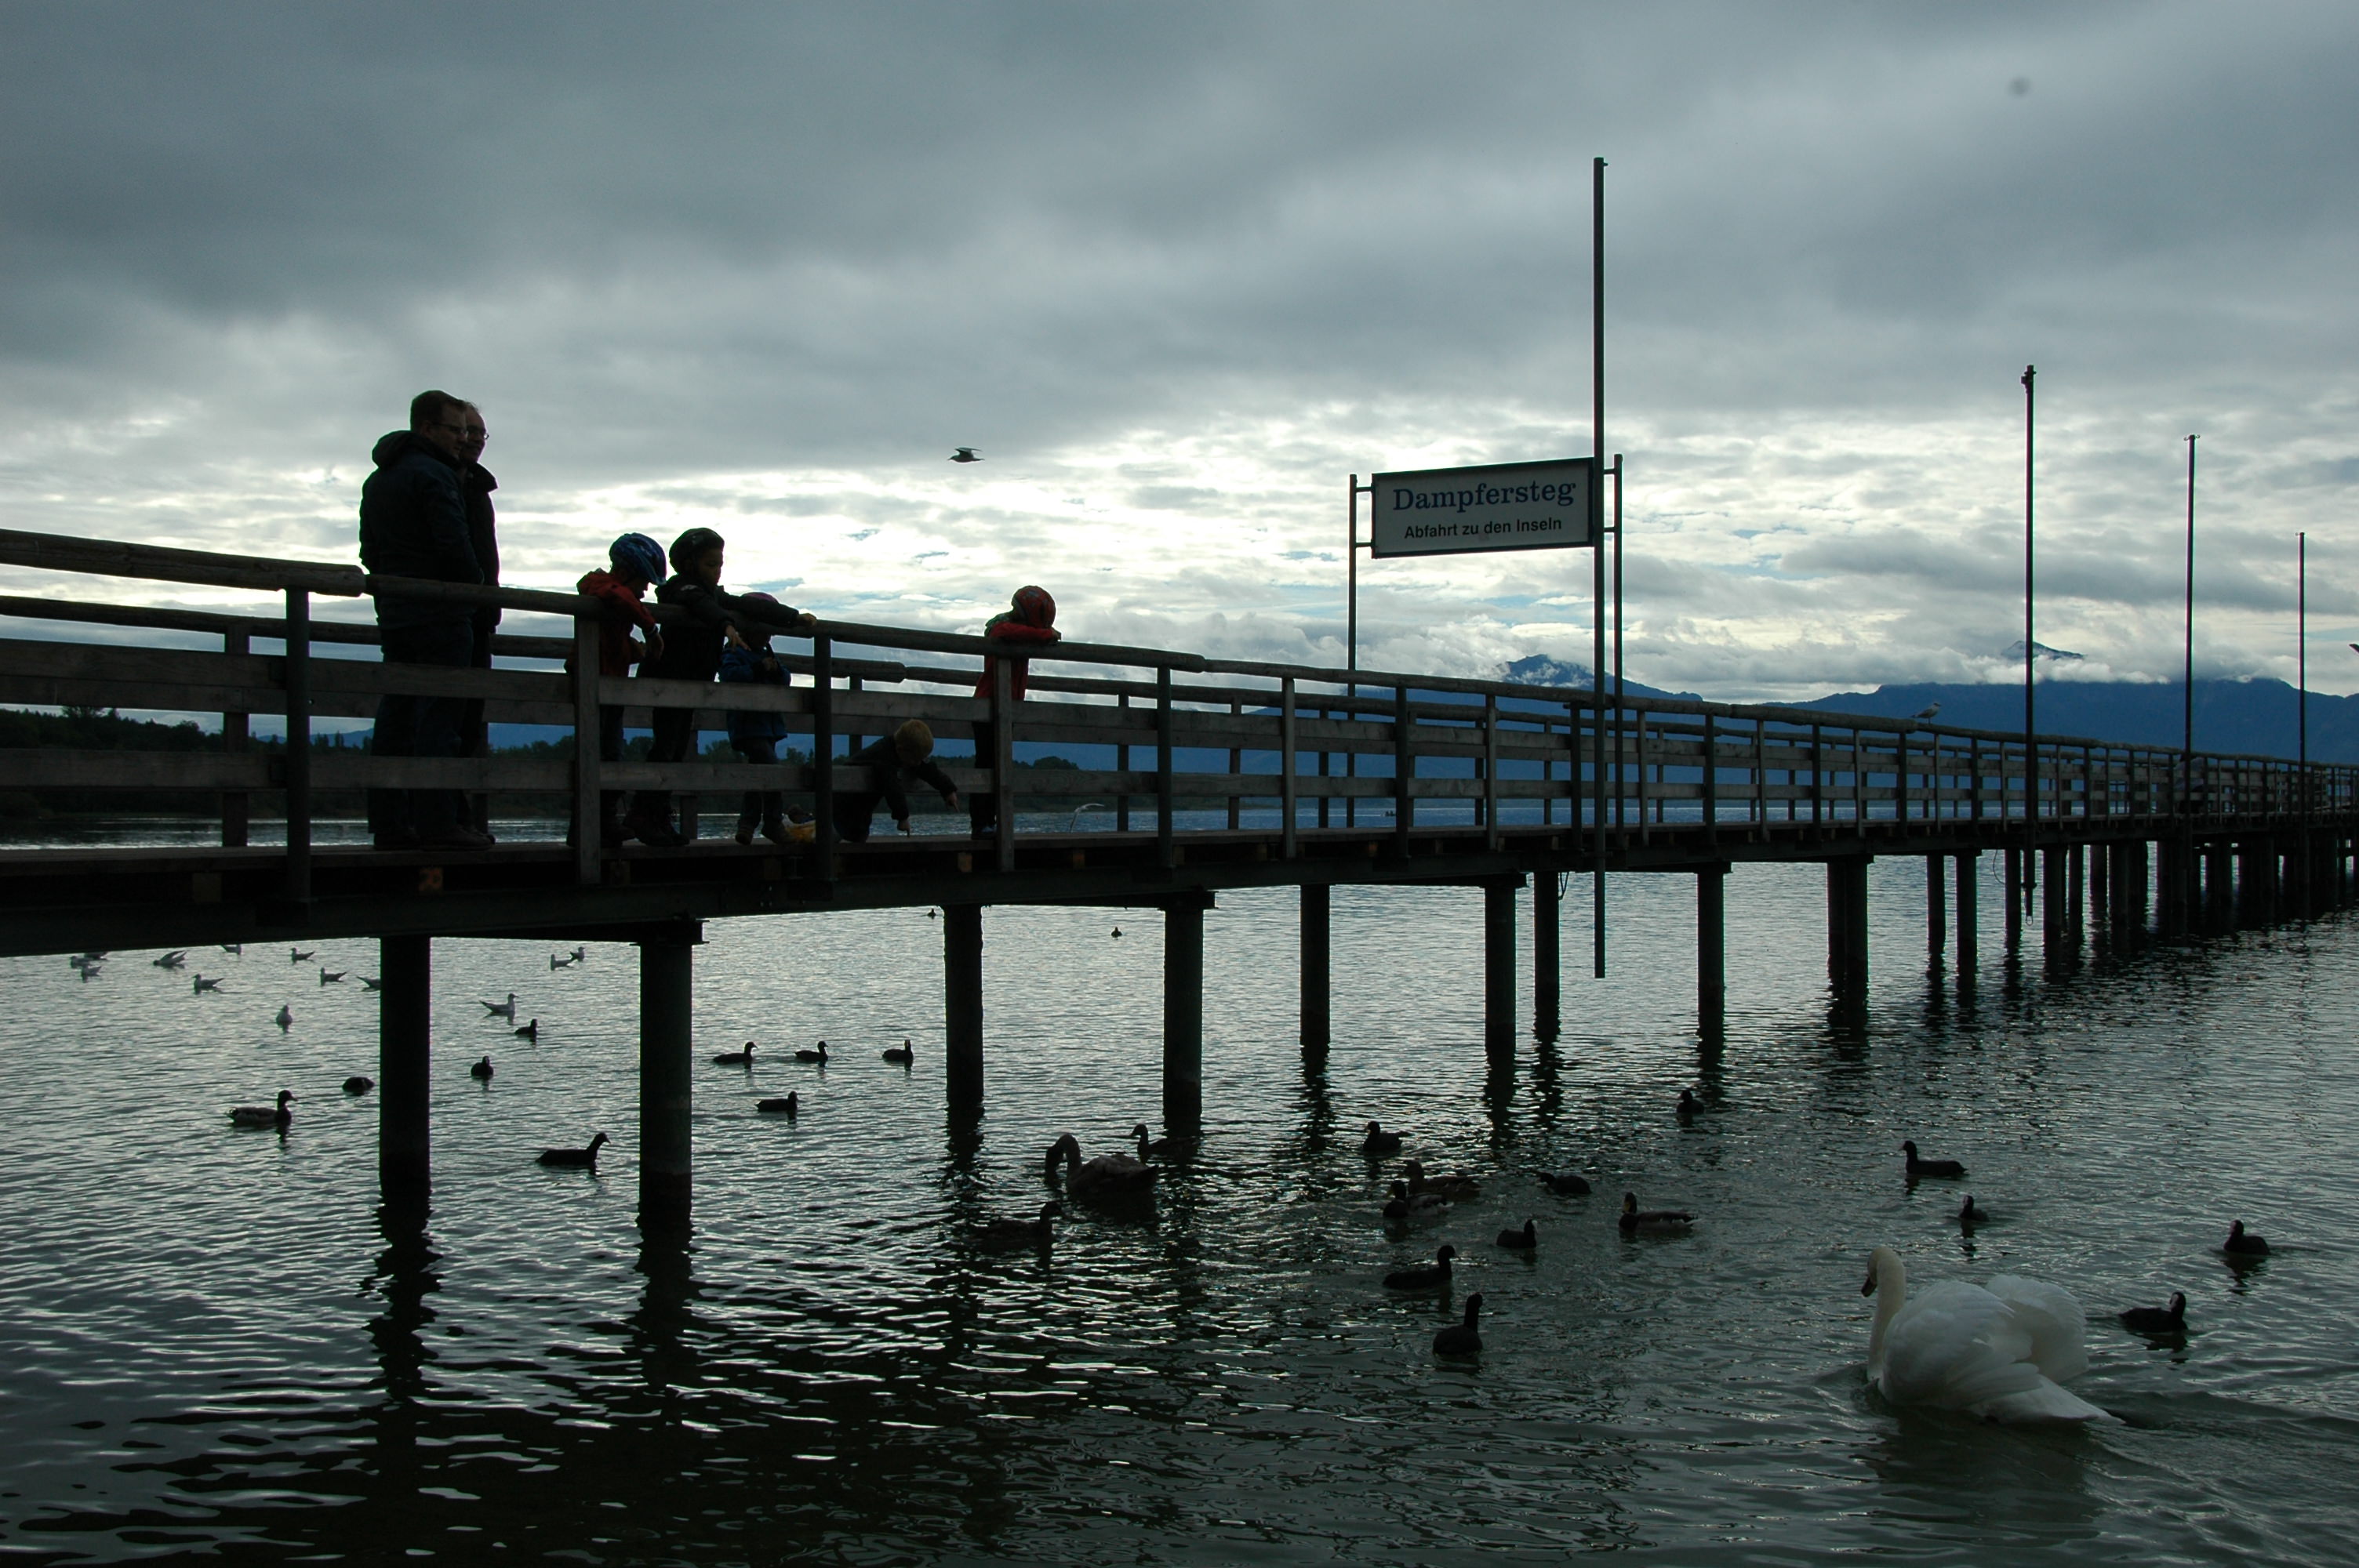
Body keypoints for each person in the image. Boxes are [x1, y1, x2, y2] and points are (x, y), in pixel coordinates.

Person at [357, 389, 489, 851]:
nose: (462, 439)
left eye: (466, 431)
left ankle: (390, 823)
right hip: (442, 613)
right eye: (455, 430)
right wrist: (474, 589)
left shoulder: (379, 478)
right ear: (427, 428)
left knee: (396, 716)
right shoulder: (435, 475)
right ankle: (438, 823)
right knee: (441, 717)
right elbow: (454, 546)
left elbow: (369, 551)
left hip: (395, 613)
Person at [627, 528, 816, 848]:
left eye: (719, 565)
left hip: (689, 684)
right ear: (690, 565)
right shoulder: (681, 589)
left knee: (675, 750)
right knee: (665, 749)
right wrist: (726, 625)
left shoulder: (712, 595)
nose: (717, 571)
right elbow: (702, 605)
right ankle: (642, 816)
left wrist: (793, 617)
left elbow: (747, 605)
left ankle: (657, 816)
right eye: (710, 564)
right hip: (669, 682)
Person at [570, 533, 666, 845]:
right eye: (643, 581)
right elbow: (619, 596)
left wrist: (631, 649)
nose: (645, 591)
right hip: (595, 684)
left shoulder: (614, 597)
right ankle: (588, 826)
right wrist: (650, 629)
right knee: (597, 752)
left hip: (610, 684)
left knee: (611, 753)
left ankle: (602, 821)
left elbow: (611, 638)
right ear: (625, 573)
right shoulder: (601, 586)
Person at [968, 585, 1059, 837]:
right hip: (987, 707)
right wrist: (1045, 635)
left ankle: (994, 821)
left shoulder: (1021, 633)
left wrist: (1042, 635)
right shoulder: (1001, 627)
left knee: (1001, 765)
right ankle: (981, 823)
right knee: (987, 765)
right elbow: (1001, 631)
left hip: (1008, 709)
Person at [452, 402, 499, 833]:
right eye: (468, 432)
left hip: (479, 617)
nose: (475, 441)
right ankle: (443, 817)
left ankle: (457, 813)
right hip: (451, 614)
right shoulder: (442, 481)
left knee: (467, 722)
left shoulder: (476, 487)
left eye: (482, 434)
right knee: (443, 718)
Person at [719, 591, 791, 844]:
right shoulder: (736, 651)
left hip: (767, 725)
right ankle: (772, 822)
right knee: (772, 771)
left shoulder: (767, 654)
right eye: (763, 632)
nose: (767, 637)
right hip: (749, 725)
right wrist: (758, 669)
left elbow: (786, 678)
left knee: (758, 776)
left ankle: (747, 825)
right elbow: (730, 675)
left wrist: (776, 670)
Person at [836, 720, 961, 843]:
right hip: (841, 804)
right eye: (915, 759)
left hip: (861, 809)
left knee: (857, 835)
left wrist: (948, 790)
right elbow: (892, 788)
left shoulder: (901, 751)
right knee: (841, 834)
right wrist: (902, 818)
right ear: (901, 750)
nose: (917, 763)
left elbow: (926, 769)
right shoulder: (883, 759)